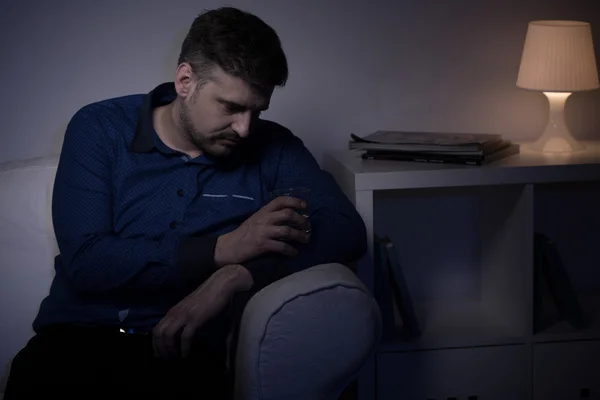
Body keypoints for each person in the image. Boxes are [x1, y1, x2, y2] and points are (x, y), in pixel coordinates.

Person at [4, 6, 367, 399]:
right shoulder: (99, 129)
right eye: (230, 107)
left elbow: (345, 230)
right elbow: (88, 261)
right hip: (73, 345)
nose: (245, 128)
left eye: (256, 111)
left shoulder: (274, 148)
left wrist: (236, 275)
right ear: (185, 80)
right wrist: (223, 248)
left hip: (183, 357)